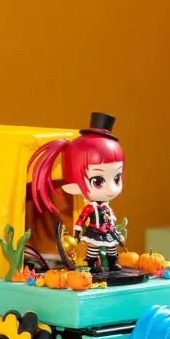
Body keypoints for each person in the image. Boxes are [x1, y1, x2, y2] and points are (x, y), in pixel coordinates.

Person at [28, 112, 125, 273]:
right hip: (95, 230)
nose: (111, 188)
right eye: (98, 181)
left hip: (107, 231)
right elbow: (81, 219)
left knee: (111, 247)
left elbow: (110, 220)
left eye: (116, 178)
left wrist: (114, 228)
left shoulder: (106, 208)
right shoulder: (90, 208)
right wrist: (78, 233)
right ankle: (91, 264)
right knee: (93, 248)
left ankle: (112, 262)